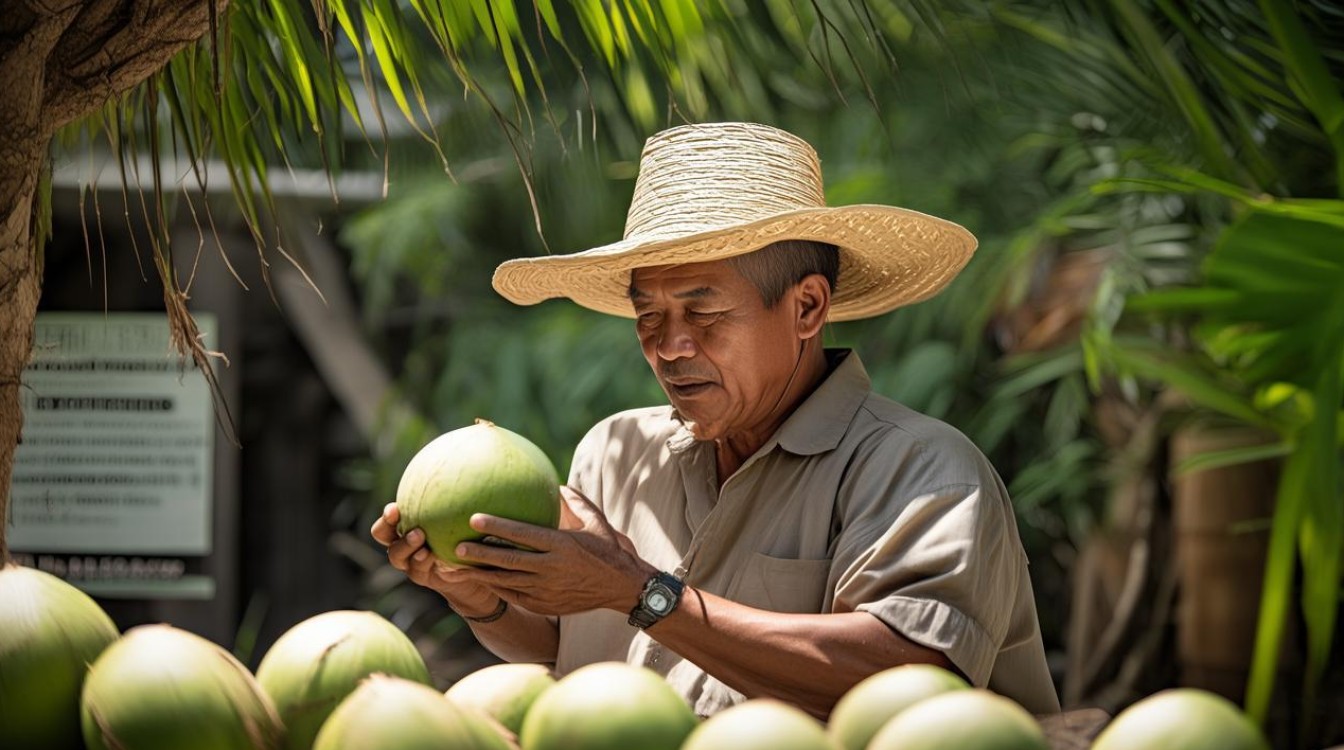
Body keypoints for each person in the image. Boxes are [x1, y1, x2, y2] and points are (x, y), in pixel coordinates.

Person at [372, 121, 1061, 719]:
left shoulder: (923, 471)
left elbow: (907, 688)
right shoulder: (616, 452)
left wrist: (641, 591)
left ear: (807, 309)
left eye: (703, 313)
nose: (670, 346)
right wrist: (476, 593)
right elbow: (572, 645)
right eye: (649, 317)